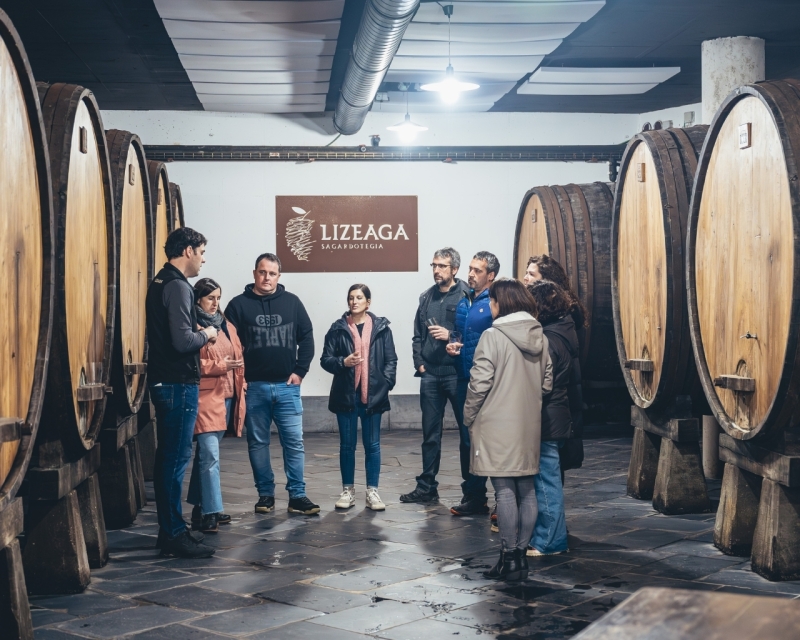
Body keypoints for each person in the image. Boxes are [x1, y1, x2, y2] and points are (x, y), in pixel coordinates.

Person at [463, 279, 551, 581]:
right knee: (527, 491)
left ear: (504, 303)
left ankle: (508, 557)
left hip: (497, 423)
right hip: (528, 422)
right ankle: (520, 557)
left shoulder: (492, 335)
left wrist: (468, 415)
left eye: (493, 301)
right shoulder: (540, 336)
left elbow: (479, 383)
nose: (490, 306)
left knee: (503, 490)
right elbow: (547, 382)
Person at [224, 253, 320, 515]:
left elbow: (307, 337)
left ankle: (297, 496)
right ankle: (265, 495)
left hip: (287, 387)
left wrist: (300, 371)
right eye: (262, 272)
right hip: (253, 388)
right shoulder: (238, 305)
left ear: (279, 275)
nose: (267, 278)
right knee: (258, 444)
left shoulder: (292, 303)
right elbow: (228, 345)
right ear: (254, 273)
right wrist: (238, 380)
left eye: (272, 273)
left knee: (294, 443)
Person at [146, 227, 217, 558]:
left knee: (168, 460)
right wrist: (209, 333)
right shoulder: (178, 286)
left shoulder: (162, 280)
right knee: (174, 462)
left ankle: (169, 529)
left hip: (166, 382)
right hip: (177, 384)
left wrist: (194, 331)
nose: (203, 259)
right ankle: (174, 533)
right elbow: (182, 341)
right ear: (188, 250)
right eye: (201, 251)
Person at [400, 248, 469, 505]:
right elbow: (417, 335)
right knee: (430, 435)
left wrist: (450, 335)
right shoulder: (426, 297)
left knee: (467, 434)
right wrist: (420, 364)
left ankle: (471, 491)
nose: (436, 270)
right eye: (434, 265)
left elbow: (471, 334)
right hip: (430, 376)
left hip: (456, 374)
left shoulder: (465, 296)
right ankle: (427, 486)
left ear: (454, 270)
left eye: (442, 266)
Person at [321, 284, 397, 511]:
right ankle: (348, 491)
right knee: (347, 445)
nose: (354, 302)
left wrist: (387, 383)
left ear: (368, 302)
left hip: (373, 395)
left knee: (372, 445)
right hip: (346, 395)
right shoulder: (337, 328)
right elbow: (325, 359)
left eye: (359, 298)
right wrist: (343, 362)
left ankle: (372, 491)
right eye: (351, 298)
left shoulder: (382, 328)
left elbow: (391, 360)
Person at [187, 278, 246, 533]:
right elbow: (191, 365)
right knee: (210, 456)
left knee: (205, 456)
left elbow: (239, 356)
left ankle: (201, 508)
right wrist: (222, 366)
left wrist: (241, 384)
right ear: (198, 298)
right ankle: (211, 511)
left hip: (228, 397)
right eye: (210, 298)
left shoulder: (227, 326)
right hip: (206, 398)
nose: (215, 303)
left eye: (218, 298)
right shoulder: (193, 327)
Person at [444, 251, 500, 516]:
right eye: (470, 269)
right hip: (463, 377)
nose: (470, 274)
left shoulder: (496, 302)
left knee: (492, 441)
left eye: (477, 271)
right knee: (467, 441)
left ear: (490, 275)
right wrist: (453, 343)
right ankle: (474, 496)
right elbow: (458, 332)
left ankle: (504, 499)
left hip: (488, 381)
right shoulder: (465, 300)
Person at [526, 280, 578, 557]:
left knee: (546, 484)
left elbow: (541, 384)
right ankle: (549, 536)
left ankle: (550, 541)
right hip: (557, 415)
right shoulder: (564, 331)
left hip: (548, 418)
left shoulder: (547, 339)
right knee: (549, 480)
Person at [522, 255, 585, 474]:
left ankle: (548, 508)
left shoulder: (554, 321)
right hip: (563, 396)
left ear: (547, 281)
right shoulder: (561, 315)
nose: (525, 278)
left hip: (559, 397)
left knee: (549, 466)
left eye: (531, 274)